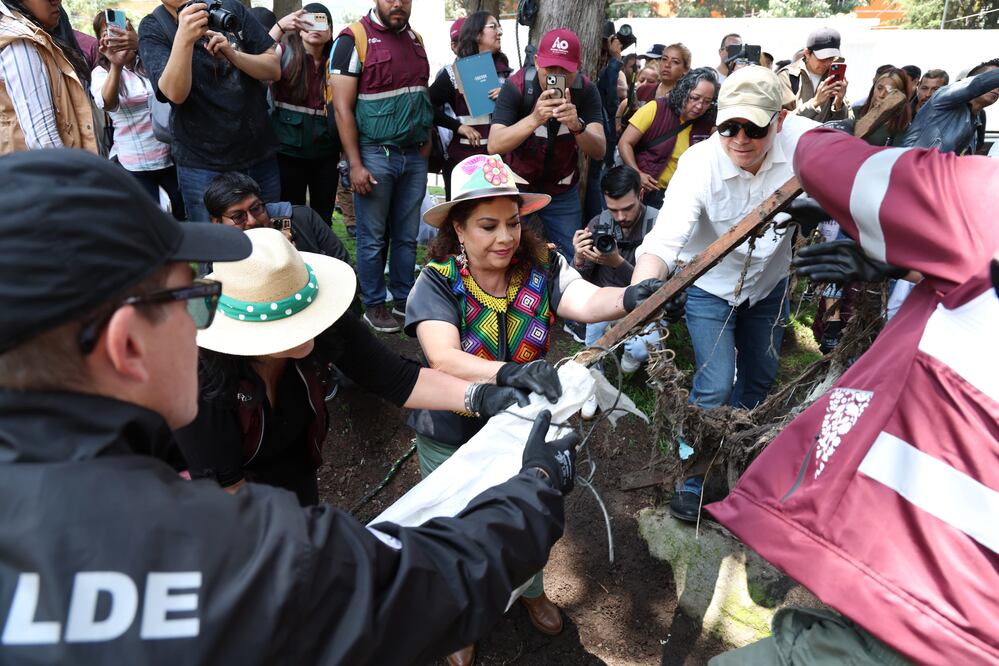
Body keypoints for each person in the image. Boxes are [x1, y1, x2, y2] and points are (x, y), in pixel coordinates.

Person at [0, 147, 579, 665]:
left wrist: (484, 392)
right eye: (193, 298)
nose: (203, 319)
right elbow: (405, 589)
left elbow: (391, 374)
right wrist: (534, 489)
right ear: (127, 345)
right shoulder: (220, 539)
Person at [707, 128, 999, 666]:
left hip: (944, 613)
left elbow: (825, 157)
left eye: (757, 127)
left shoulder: (986, 204)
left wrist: (800, 131)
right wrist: (903, 264)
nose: (742, 138)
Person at [404, 153, 664, 666]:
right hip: (451, 428)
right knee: (457, 523)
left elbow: (585, 300)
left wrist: (630, 296)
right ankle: (460, 617)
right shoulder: (436, 280)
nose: (505, 237)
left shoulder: (543, 264)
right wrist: (507, 373)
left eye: (513, 222)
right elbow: (443, 357)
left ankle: (530, 590)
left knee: (526, 514)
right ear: (458, 228)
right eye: (488, 226)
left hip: (524, 424)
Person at [173, 227, 532, 506]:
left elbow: (397, 378)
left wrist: (482, 395)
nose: (306, 328)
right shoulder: (197, 380)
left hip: (294, 467)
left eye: (304, 315)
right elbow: (227, 491)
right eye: (287, 325)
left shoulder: (322, 321)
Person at [630, 66, 819, 521]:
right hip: (710, 286)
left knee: (760, 376)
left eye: (754, 127)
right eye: (728, 126)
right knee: (713, 385)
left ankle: (736, 455)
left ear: (780, 120)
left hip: (769, 285)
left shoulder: (806, 144)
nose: (740, 139)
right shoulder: (700, 164)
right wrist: (643, 290)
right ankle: (692, 474)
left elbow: (865, 171)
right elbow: (663, 241)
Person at [328, 0, 433, 334]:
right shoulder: (352, 39)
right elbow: (342, 109)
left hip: (413, 156)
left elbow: (421, 95)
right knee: (372, 238)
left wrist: (427, 143)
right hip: (374, 155)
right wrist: (355, 163)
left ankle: (404, 298)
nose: (398, 3)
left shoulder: (415, 39)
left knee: (407, 236)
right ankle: (374, 304)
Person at [573, 166, 685, 419]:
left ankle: (632, 354)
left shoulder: (660, 225)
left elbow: (660, 288)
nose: (621, 217)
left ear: (641, 194)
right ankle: (594, 384)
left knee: (642, 349)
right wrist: (579, 258)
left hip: (645, 305)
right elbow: (579, 283)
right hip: (604, 300)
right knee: (593, 349)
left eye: (627, 208)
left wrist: (617, 263)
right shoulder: (599, 224)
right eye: (613, 210)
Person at [487, 28, 605, 262]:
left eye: (564, 70)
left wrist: (577, 126)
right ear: (537, 62)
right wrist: (534, 119)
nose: (556, 75)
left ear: (577, 67)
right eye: (550, 68)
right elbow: (494, 144)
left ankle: (564, 286)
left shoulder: (586, 90)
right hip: (518, 187)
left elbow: (599, 150)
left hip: (562, 190)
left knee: (572, 256)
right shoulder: (517, 85)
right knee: (508, 254)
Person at [91, 11, 183, 217]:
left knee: (180, 214)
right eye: (109, 33)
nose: (118, 37)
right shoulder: (101, 73)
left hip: (171, 155)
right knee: (149, 220)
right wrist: (116, 65)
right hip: (134, 163)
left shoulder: (151, 61)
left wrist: (141, 45)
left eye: (124, 30)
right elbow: (107, 103)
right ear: (101, 41)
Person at [268, 4, 339, 225]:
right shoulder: (283, 52)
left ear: (330, 31)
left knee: (323, 218)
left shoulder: (337, 63)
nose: (315, 28)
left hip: (326, 154)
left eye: (321, 22)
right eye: (309, 22)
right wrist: (280, 26)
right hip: (287, 153)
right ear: (299, 29)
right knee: (290, 217)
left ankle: (320, 248)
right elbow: (259, 58)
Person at [429, 11, 511, 200]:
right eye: (493, 27)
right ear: (477, 34)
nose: (499, 32)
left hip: (498, 162)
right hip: (462, 162)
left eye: (499, 27)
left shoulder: (507, 73)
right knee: (461, 214)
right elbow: (425, 105)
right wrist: (458, 127)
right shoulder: (453, 73)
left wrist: (508, 96)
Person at [0, 0, 97, 154]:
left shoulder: (35, 36)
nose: (57, 1)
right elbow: (43, 139)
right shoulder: (21, 43)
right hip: (55, 166)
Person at [617, 67, 717, 209]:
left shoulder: (707, 123)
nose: (700, 106)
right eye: (694, 98)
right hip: (649, 191)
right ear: (683, 91)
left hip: (684, 197)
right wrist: (638, 173)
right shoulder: (656, 108)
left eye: (707, 101)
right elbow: (624, 143)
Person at [900, 58, 999, 155]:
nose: (995, 86)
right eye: (991, 79)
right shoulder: (942, 98)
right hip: (910, 163)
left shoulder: (976, 118)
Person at [776, 27, 851, 122]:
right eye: (822, 59)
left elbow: (847, 122)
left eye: (831, 58)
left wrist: (839, 102)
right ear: (807, 53)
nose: (828, 64)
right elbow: (781, 121)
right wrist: (815, 102)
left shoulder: (832, 76)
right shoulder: (788, 76)